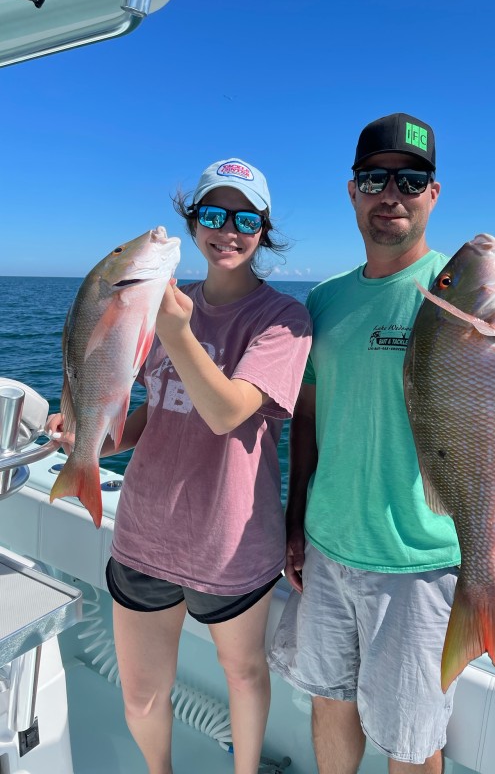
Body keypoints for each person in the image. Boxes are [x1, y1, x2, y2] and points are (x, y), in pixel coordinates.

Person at [50, 157, 312, 774]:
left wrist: (175, 330)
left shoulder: (282, 320)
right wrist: (97, 439)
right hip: (145, 533)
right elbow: (152, 410)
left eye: (246, 217)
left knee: (243, 675)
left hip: (231, 542)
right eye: (214, 214)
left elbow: (228, 414)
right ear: (193, 223)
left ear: (264, 230)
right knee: (141, 695)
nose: (229, 229)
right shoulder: (159, 303)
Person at [267, 114, 461, 774]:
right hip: (325, 548)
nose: (392, 194)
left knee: (410, 740)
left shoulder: (459, 298)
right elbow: (309, 424)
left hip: (418, 564)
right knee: (329, 704)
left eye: (411, 180)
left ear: (433, 194)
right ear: (352, 191)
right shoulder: (322, 302)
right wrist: (295, 521)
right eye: (375, 178)